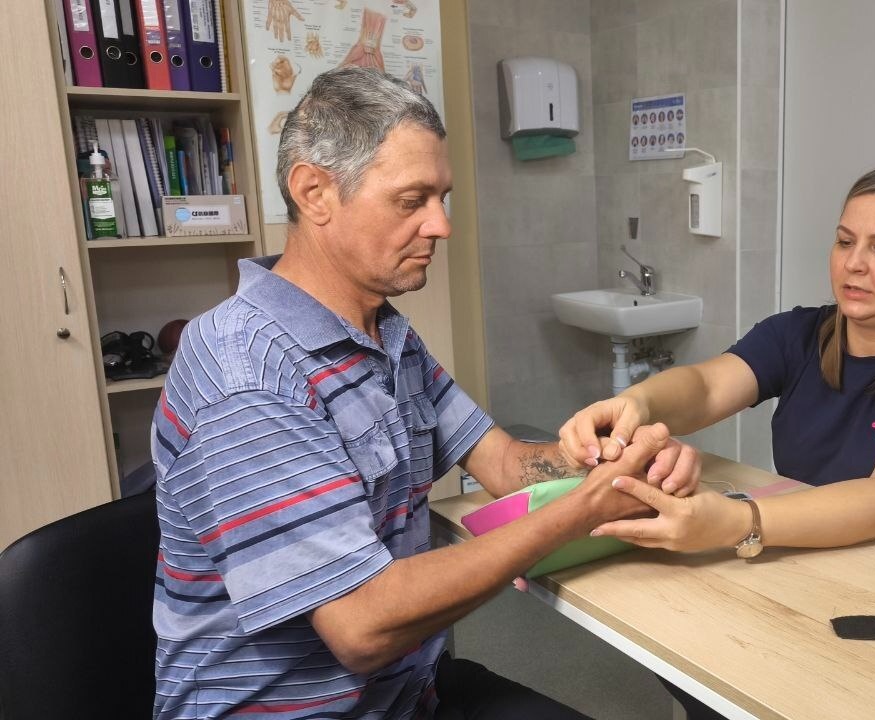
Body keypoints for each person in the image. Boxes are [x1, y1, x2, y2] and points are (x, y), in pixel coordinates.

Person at [150, 66, 698, 720]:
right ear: (314, 192)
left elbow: (505, 463)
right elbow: (361, 625)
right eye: (412, 201)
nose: (441, 226)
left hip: (408, 696)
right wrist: (579, 511)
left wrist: (612, 460)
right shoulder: (245, 372)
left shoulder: (386, 334)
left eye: (442, 198)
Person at [561, 159, 875, 553]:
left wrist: (739, 523)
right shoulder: (796, 334)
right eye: (844, 241)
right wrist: (637, 404)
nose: (853, 263)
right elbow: (706, 387)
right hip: (819, 554)